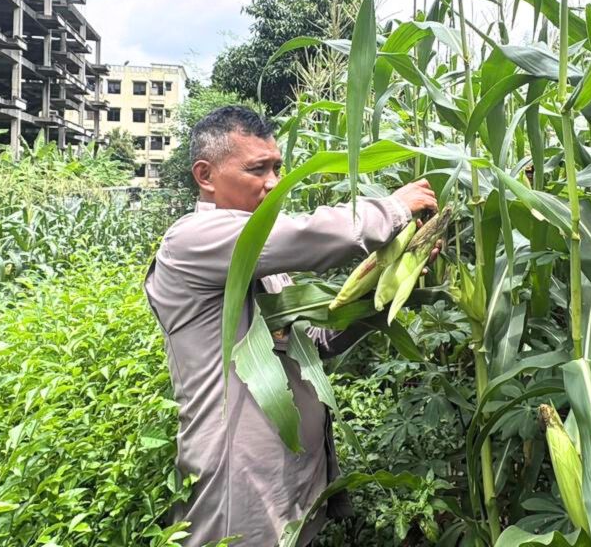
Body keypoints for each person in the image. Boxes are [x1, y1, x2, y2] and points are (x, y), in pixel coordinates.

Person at [144, 105, 440, 546]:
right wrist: (393, 209)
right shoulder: (192, 240)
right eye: (257, 169)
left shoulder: (265, 265)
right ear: (205, 175)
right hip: (242, 481)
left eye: (277, 168)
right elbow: (308, 235)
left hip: (292, 478)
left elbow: (312, 343)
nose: (273, 183)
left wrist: (387, 289)